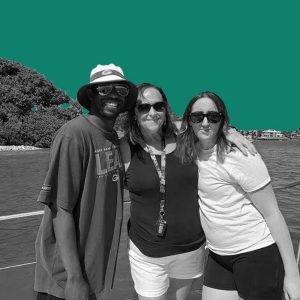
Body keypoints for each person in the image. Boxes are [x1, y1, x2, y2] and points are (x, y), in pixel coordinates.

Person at [119, 83, 255, 300]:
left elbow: (207, 124)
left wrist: (230, 131)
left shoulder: (186, 140)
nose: (152, 112)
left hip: (190, 248)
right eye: (143, 107)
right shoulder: (124, 149)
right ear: (134, 113)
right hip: (147, 253)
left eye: (158, 106)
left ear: (165, 109)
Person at [176, 91, 300, 300]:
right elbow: (160, 123)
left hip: (256, 252)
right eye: (198, 116)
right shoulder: (190, 151)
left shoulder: (241, 155)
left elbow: (272, 214)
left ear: (222, 120)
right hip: (218, 255)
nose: (205, 123)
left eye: (213, 117)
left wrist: (292, 274)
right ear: (189, 120)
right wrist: (230, 131)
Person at [34, 64, 138, 300]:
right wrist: (74, 278)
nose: (113, 95)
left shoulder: (114, 139)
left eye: (120, 90)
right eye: (105, 89)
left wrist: (226, 131)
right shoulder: (74, 134)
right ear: (91, 95)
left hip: (92, 270)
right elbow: (60, 208)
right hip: (65, 277)